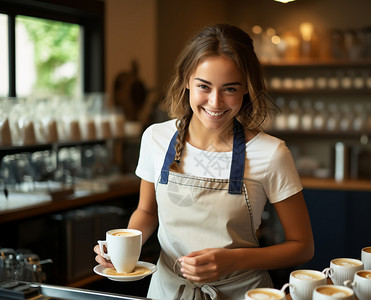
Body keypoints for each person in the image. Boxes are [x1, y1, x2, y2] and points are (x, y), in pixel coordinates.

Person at [94, 23, 314, 300]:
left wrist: (234, 260)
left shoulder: (271, 153)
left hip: (242, 292)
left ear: (247, 88)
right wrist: (123, 248)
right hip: (167, 291)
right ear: (186, 80)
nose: (215, 101)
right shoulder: (155, 138)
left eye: (230, 89)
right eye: (204, 86)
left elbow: (302, 246)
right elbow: (147, 212)